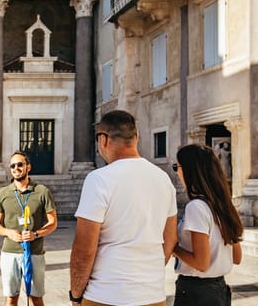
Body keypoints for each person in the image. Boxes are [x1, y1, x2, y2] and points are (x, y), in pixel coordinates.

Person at [69, 110, 178, 306]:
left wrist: (76, 295)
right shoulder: (163, 179)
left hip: (106, 295)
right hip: (152, 296)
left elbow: (84, 247)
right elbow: (170, 240)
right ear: (136, 137)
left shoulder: (99, 179)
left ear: (103, 140)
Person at [172, 144, 243, 306]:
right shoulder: (224, 206)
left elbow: (201, 263)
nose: (177, 172)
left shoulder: (196, 207)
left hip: (195, 292)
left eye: (177, 166)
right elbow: (236, 257)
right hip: (219, 290)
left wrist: (173, 247)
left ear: (189, 170)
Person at [0, 151, 58, 306]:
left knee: (35, 298)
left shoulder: (42, 192)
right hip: (10, 253)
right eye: (13, 165)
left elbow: (53, 222)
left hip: (35, 252)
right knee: (11, 298)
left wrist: (35, 234)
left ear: (28, 167)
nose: (16, 168)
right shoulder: (2, 194)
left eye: (20, 164)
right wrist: (9, 232)